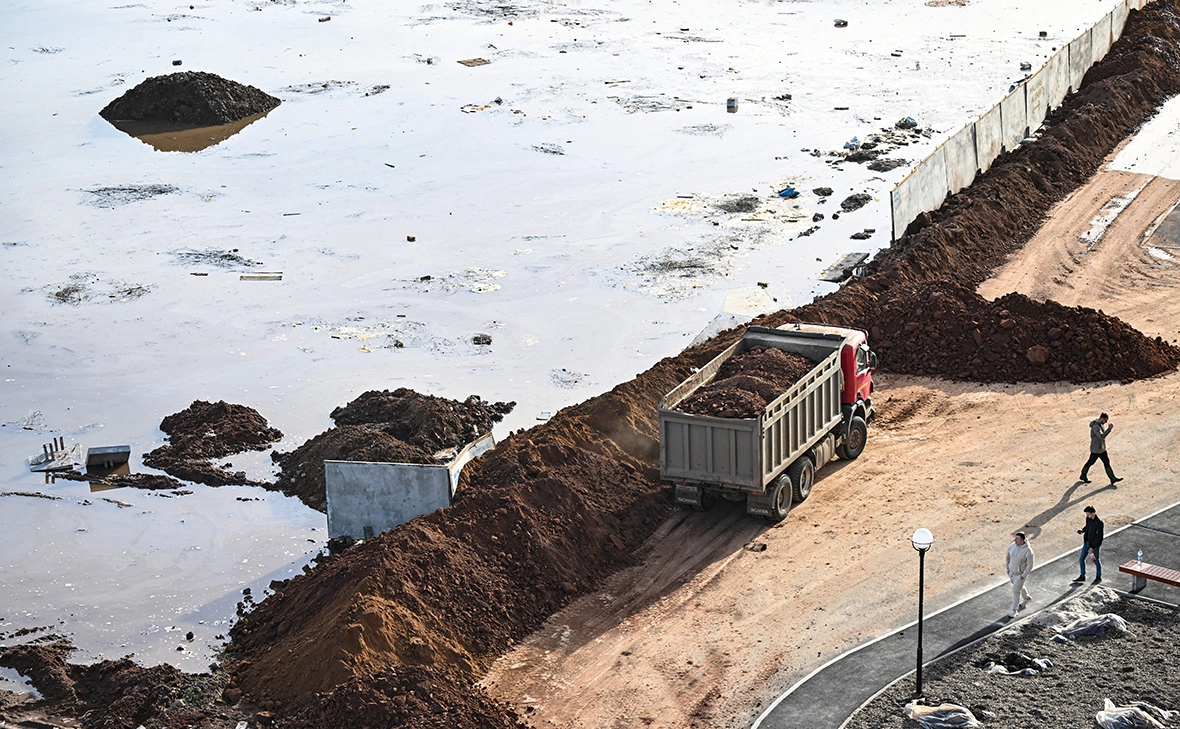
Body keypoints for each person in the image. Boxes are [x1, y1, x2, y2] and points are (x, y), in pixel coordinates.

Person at [1080, 413, 1123, 486]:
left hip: (1101, 449)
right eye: (1105, 420)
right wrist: (1109, 429)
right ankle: (1083, 475)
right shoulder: (1096, 427)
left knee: (1106, 462)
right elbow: (1102, 436)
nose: (1105, 422)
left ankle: (1112, 478)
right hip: (1096, 450)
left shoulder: (1100, 424)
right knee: (1090, 462)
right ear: (1102, 418)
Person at [1072, 505, 1105, 585]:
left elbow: (1099, 537)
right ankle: (1082, 576)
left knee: (1096, 560)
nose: (1087, 516)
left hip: (1094, 546)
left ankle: (1098, 577)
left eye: (1088, 514)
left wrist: (1093, 547)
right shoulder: (1089, 519)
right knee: (1081, 558)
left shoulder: (1099, 522)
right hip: (1087, 543)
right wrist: (1082, 530)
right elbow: (1087, 527)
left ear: (1093, 513)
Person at [1005, 531, 1034, 618]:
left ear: (1023, 540)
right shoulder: (1012, 546)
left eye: (1017, 538)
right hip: (1011, 573)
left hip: (1020, 575)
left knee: (1015, 591)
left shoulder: (1028, 551)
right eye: (1015, 538)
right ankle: (1027, 598)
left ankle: (1014, 610)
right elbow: (1008, 557)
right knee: (1018, 587)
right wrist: (1008, 569)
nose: (1015, 540)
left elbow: (1030, 565)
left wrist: (1023, 575)